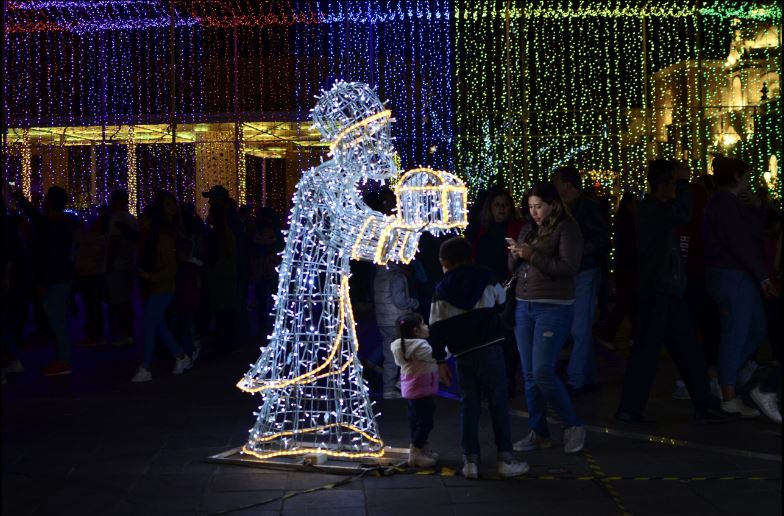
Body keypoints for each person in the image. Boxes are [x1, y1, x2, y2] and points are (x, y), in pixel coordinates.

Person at [616, 159, 734, 425]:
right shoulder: (652, 210)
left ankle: (702, 402)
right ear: (663, 186)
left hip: (665, 289)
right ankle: (632, 407)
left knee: (686, 347)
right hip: (658, 289)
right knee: (653, 349)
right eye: (673, 184)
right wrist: (683, 183)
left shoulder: (654, 209)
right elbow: (683, 213)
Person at [429, 236, 530, 479]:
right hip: (491, 348)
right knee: (498, 403)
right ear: (470, 257)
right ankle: (505, 458)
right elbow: (501, 300)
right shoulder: (486, 276)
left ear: (444, 261)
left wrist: (440, 361)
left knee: (469, 406)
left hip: (462, 354)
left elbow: (436, 327)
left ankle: (470, 461)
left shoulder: (441, 289)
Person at [508, 181, 587, 454]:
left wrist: (532, 254)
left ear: (553, 204)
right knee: (529, 374)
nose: (534, 212)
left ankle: (572, 425)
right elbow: (515, 267)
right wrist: (516, 254)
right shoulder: (529, 229)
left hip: (553, 306)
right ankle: (538, 431)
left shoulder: (567, 228)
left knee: (542, 370)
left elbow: (567, 268)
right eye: (530, 207)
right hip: (524, 304)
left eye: (539, 206)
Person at [704, 156, 778, 417]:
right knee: (738, 332)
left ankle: (726, 378)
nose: (748, 180)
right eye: (745, 176)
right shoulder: (725, 204)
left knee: (753, 329)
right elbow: (742, 242)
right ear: (736, 176)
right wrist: (763, 276)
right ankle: (728, 391)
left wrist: (759, 207)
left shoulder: (727, 203)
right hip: (734, 275)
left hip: (736, 274)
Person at [552, 166, 609, 393]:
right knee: (580, 324)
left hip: (583, 270)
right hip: (579, 270)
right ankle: (588, 376)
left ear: (567, 184)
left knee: (579, 326)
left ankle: (576, 379)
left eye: (557, 181)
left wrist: (575, 252)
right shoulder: (573, 208)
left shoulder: (582, 208)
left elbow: (601, 239)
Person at [16, 185, 79, 376]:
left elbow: (46, 256)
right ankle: (62, 358)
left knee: (57, 320)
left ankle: (63, 361)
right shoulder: (67, 223)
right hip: (64, 276)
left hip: (53, 279)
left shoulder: (48, 225)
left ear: (49, 202)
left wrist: (41, 282)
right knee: (58, 319)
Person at [131, 191, 190, 382]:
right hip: (157, 287)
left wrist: (150, 276)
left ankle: (146, 367)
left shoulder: (163, 239)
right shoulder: (152, 239)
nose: (141, 222)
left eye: (144, 219)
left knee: (150, 324)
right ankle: (180, 356)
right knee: (158, 325)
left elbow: (171, 267)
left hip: (162, 287)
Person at [391, 312, 439, 467]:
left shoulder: (399, 346)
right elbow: (437, 356)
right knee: (426, 421)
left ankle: (421, 448)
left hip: (410, 389)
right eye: (423, 324)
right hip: (423, 388)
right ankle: (416, 451)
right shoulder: (421, 346)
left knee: (415, 420)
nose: (426, 326)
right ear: (416, 331)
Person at [595, 192, 637, 349]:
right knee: (625, 302)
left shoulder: (623, 221)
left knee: (628, 302)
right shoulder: (627, 223)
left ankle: (632, 334)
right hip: (627, 267)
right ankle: (609, 334)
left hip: (624, 266)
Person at [374, 261, 420, 398]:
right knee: (411, 352)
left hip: (383, 321)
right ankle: (404, 385)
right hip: (398, 321)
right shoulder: (397, 277)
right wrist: (414, 303)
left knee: (389, 356)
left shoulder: (378, 276)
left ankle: (388, 389)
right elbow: (399, 300)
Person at [106, 189, 138, 348]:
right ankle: (129, 332)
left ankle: (123, 333)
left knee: (118, 301)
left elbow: (114, 243)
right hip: (130, 263)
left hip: (118, 265)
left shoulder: (116, 219)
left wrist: (108, 263)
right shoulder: (131, 218)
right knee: (126, 300)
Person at [73, 207, 109, 347]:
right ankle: (95, 334)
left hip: (91, 275)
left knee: (92, 306)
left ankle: (94, 336)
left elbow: (81, 248)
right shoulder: (99, 237)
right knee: (93, 306)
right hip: (93, 274)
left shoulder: (95, 237)